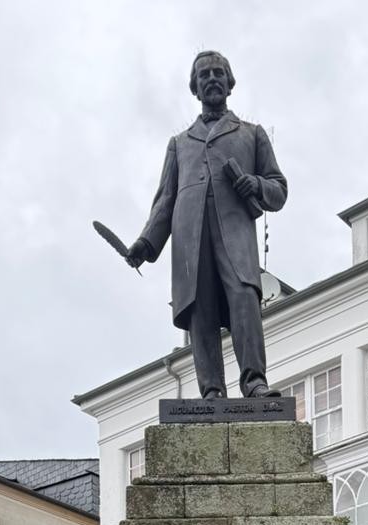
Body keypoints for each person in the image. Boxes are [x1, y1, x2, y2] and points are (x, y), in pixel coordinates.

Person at [126, 50, 287, 399]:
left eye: (218, 73)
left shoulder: (252, 134)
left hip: (235, 235)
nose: (211, 79)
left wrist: (255, 185)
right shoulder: (179, 144)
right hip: (190, 238)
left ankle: (254, 382)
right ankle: (211, 390)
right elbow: (165, 200)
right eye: (204, 76)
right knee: (200, 308)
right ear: (195, 89)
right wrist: (146, 243)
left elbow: (278, 189)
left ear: (230, 84)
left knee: (244, 298)